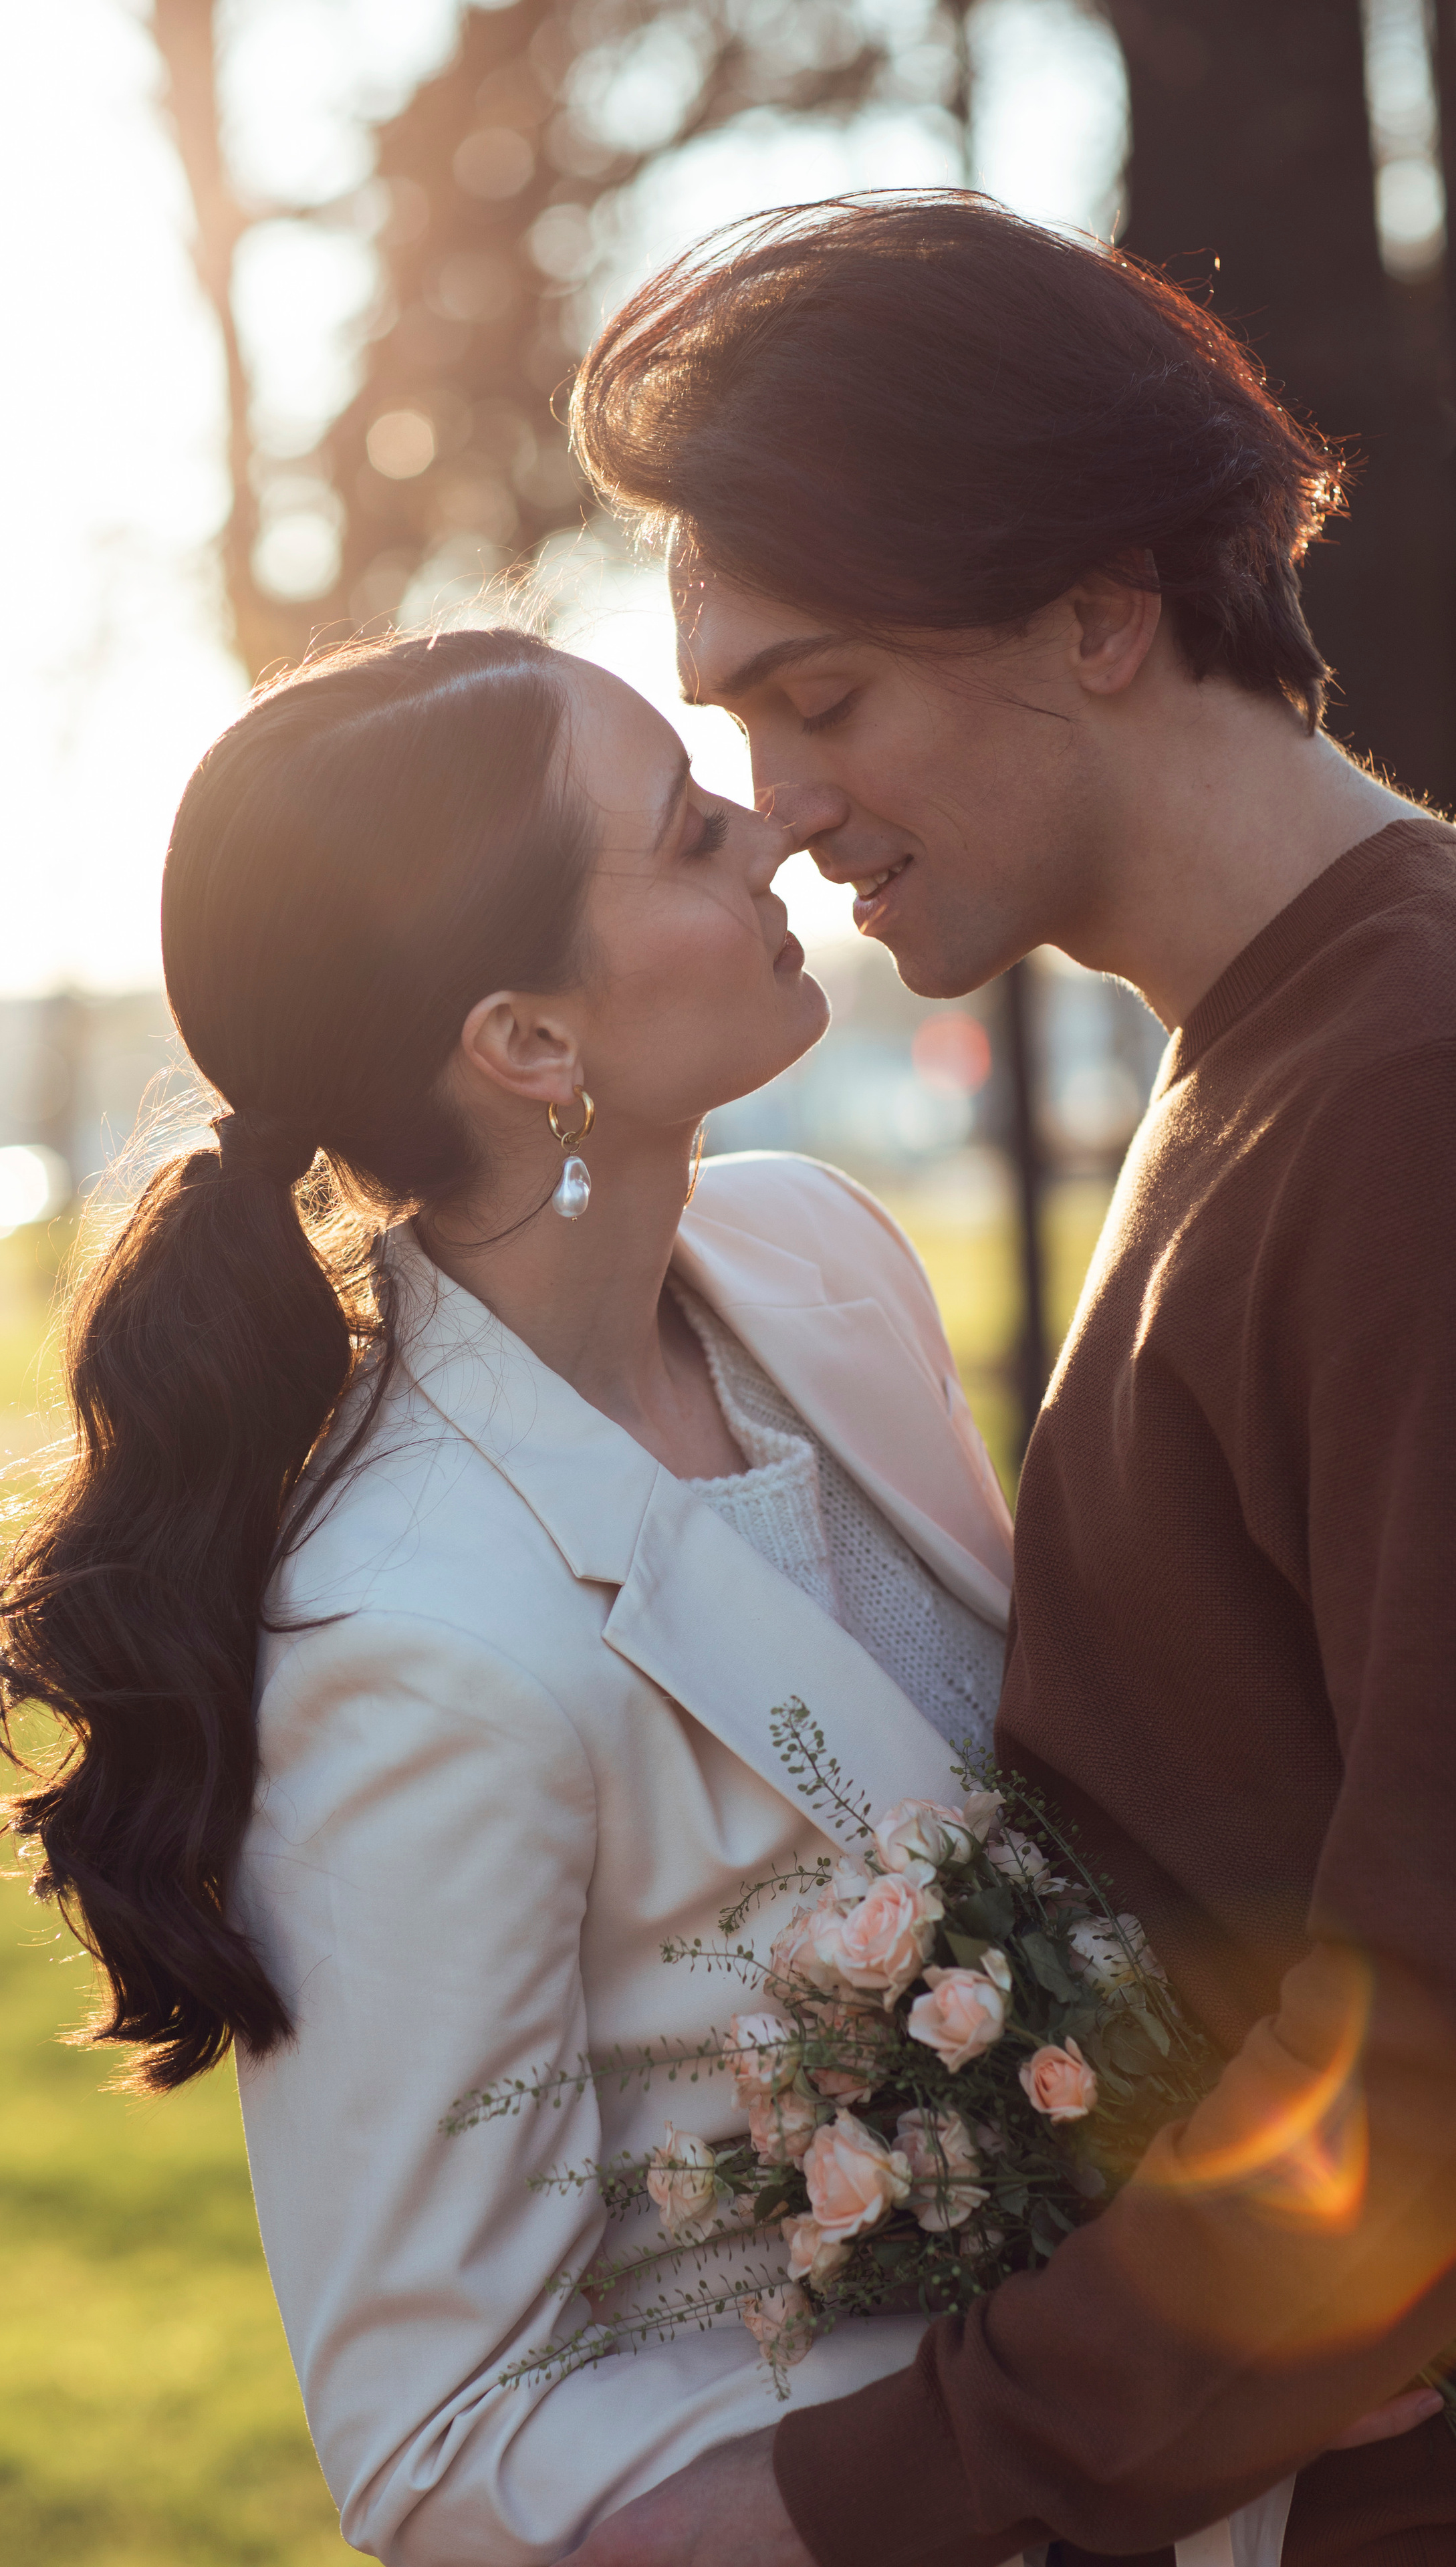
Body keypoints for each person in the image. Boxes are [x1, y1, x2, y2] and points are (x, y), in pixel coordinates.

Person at [560, 193, 1456, 2567]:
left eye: (819, 694)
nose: (771, 806)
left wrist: (869, 2497)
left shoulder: (1409, 1090)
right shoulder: (1276, 1053)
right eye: (735, 722)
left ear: (1097, 610)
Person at [0, 623, 1031, 2563]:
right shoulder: (411, 1647)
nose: (773, 830)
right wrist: (1055, 2424)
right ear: (529, 1040)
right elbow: (444, 2456)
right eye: (685, 828)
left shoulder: (826, 1260)